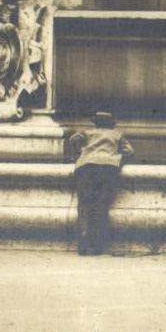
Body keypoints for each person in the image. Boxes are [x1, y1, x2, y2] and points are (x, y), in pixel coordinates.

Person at [68, 109, 133, 255]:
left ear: (95, 123)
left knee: (84, 204)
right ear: (111, 124)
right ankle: (98, 244)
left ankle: (83, 239)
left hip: (86, 167)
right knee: (101, 205)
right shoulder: (118, 135)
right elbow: (129, 151)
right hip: (108, 169)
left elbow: (73, 140)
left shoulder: (87, 133)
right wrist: (115, 156)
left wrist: (81, 151)